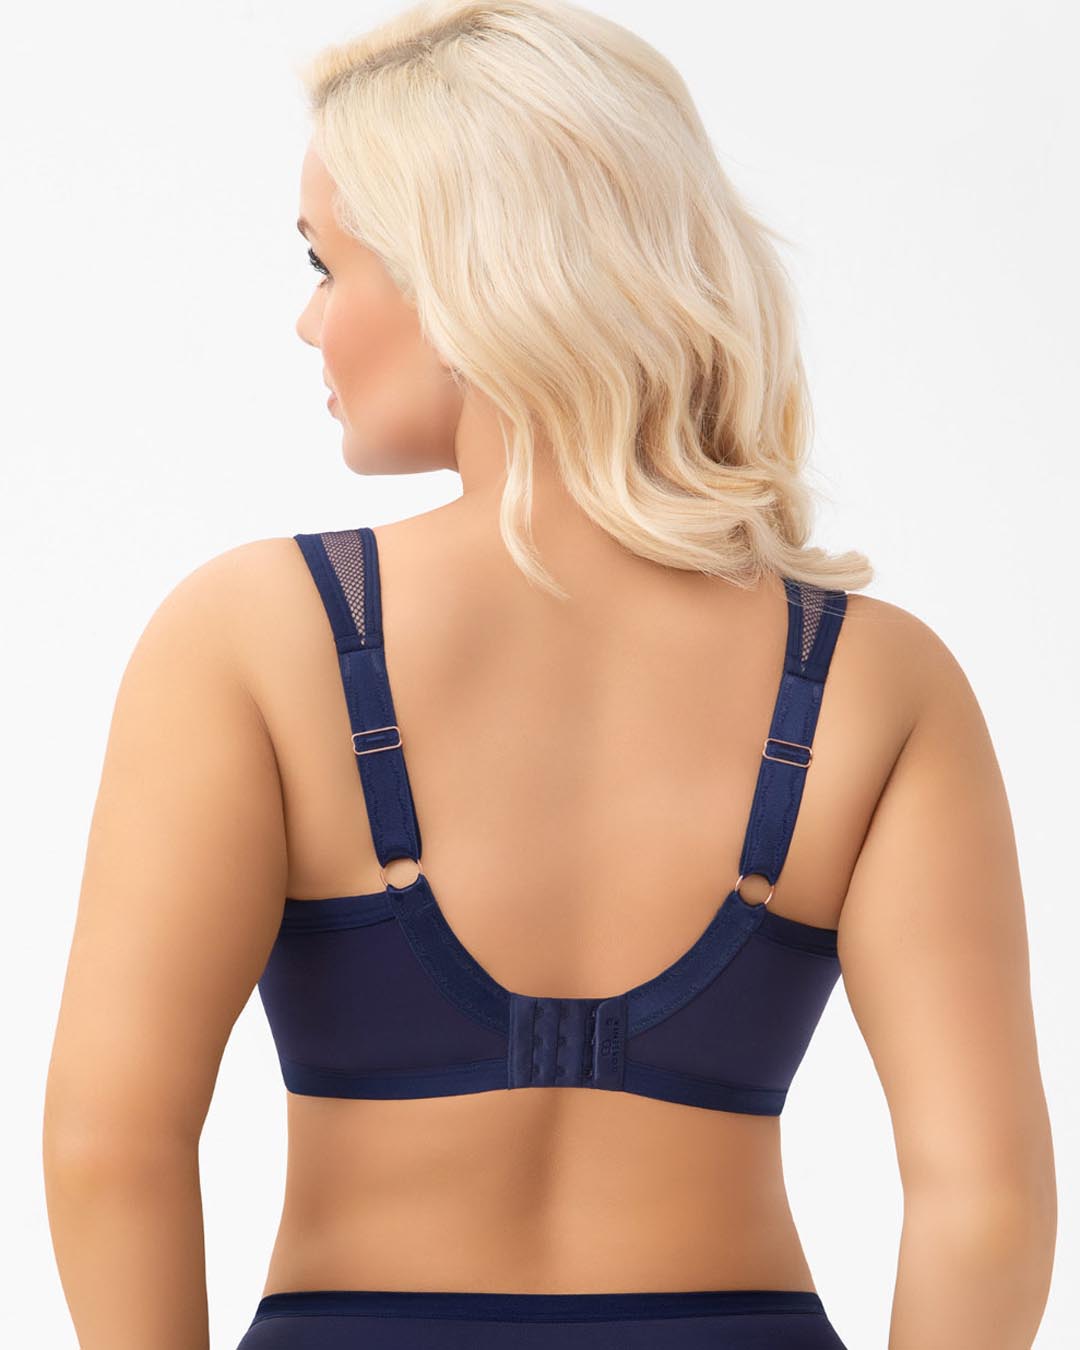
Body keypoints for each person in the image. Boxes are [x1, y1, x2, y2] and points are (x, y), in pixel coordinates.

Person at [43, 2, 1056, 1347]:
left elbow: (109, 1143)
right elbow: (985, 1202)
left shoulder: (252, 636)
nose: (307, 322)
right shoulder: (880, 681)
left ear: (462, 280)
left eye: (327, 265)